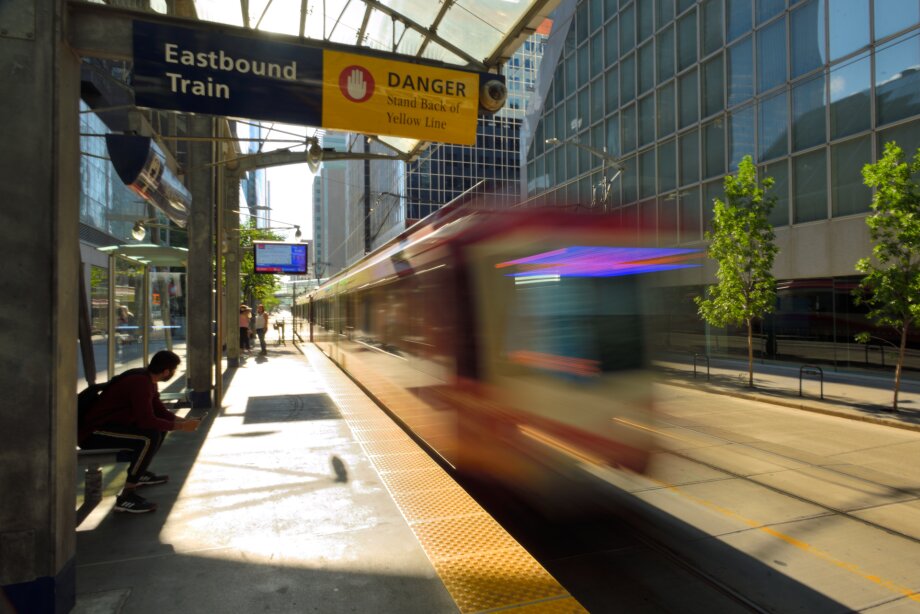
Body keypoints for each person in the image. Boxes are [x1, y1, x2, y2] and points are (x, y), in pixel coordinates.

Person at [78, 350, 201, 514]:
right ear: (166, 371)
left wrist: (183, 421)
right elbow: (146, 420)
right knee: (148, 437)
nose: (173, 373)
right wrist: (180, 427)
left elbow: (159, 411)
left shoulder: (148, 379)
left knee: (158, 429)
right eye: (173, 370)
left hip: (113, 426)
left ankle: (140, 473)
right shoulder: (140, 383)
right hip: (94, 432)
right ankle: (127, 496)